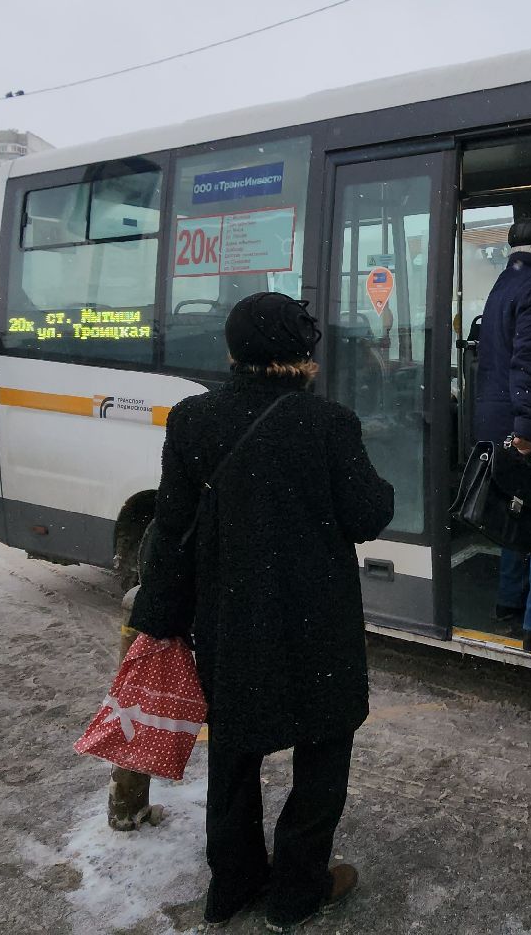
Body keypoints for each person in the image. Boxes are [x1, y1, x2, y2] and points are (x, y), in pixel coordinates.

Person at [127, 292, 393, 932]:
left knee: (236, 751)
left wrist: (158, 619)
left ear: (233, 351)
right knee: (323, 748)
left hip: (230, 619)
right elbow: (368, 514)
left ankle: (234, 882)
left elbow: (172, 527)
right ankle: (298, 889)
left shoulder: (192, 421)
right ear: (304, 357)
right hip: (316, 622)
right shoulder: (329, 425)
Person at [473, 209, 531, 653]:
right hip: (520, 424)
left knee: (514, 510)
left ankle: (509, 602)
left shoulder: (502, 284)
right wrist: (528, 427)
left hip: (493, 421)